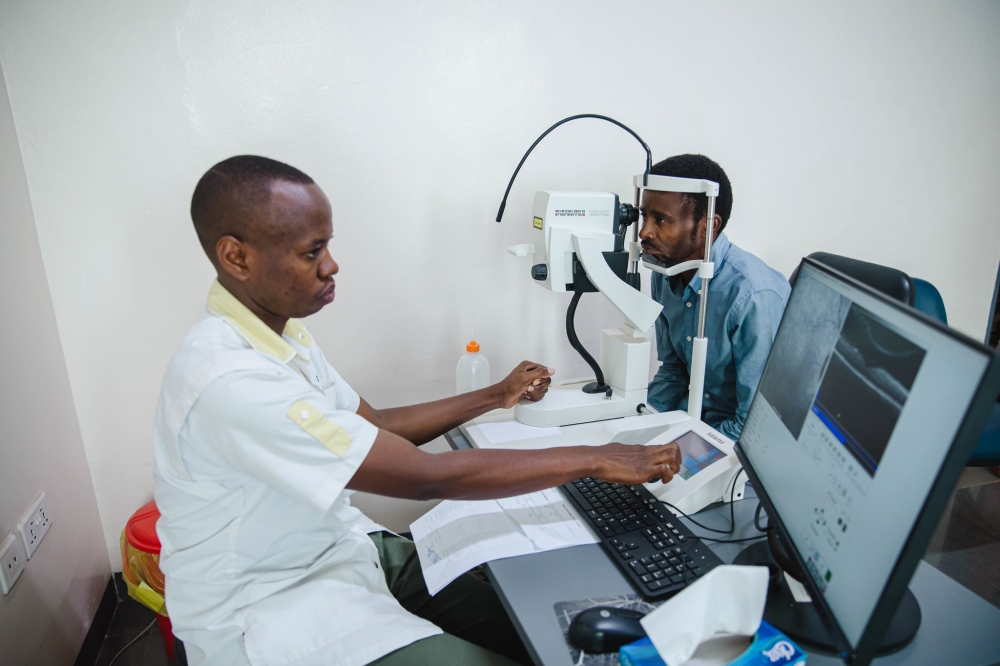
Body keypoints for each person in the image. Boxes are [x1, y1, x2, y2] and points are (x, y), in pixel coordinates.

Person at [152, 155, 682, 666]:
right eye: (312, 252)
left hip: (340, 550)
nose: (332, 265)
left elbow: (375, 426)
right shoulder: (231, 381)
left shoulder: (279, 332)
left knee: (544, 628)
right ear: (236, 257)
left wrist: (495, 395)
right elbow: (425, 477)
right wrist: (595, 459)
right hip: (274, 608)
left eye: (327, 246)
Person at [640, 154, 791, 440]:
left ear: (707, 226)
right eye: (644, 215)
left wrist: (682, 448)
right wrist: (637, 423)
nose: (644, 231)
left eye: (661, 219)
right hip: (691, 421)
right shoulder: (664, 271)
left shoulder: (753, 296)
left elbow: (754, 426)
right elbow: (674, 371)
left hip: (738, 443)